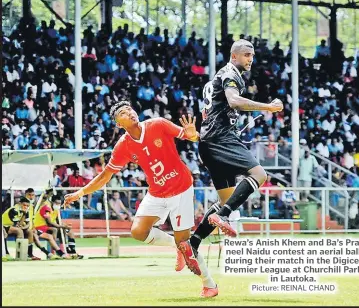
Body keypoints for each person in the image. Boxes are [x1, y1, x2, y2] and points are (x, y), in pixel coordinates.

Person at [63, 101, 218, 298]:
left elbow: (190, 136)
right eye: (122, 113)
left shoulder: (158, 124)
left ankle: (209, 284)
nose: (129, 113)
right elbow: (105, 176)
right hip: (156, 192)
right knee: (138, 231)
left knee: (185, 242)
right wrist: (80, 193)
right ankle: (177, 247)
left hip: (181, 188)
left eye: (129, 109)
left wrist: (192, 135)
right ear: (119, 124)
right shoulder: (123, 146)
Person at [182, 39, 283, 265]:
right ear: (234, 56)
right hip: (221, 140)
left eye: (252, 55)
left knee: (226, 200)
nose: (250, 59)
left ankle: (192, 243)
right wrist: (267, 107)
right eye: (247, 55)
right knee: (259, 175)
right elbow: (234, 101)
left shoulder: (217, 78)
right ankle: (223, 215)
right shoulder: (230, 74)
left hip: (208, 143)